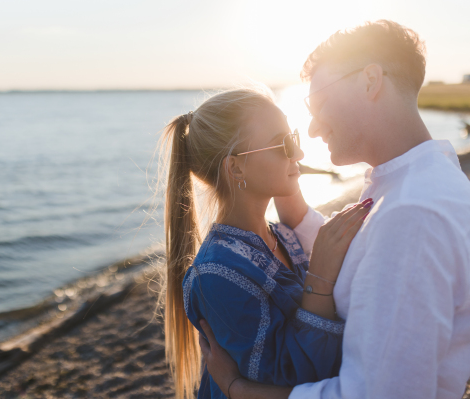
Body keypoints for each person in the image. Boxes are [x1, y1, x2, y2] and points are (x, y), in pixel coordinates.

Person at [198, 20, 470, 399]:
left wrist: (237, 388)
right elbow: (364, 251)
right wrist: (285, 185)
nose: (310, 131)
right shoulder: (417, 183)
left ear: (370, 81)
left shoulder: (411, 216)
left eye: (319, 103)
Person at [157, 85, 371, 399]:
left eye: (293, 138)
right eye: (282, 144)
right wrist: (320, 278)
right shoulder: (216, 273)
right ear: (236, 167)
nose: (298, 154)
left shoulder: (283, 236)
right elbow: (293, 376)